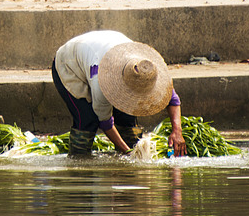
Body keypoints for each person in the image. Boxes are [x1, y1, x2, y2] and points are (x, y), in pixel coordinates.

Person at [52, 30, 187, 157]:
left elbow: (172, 99)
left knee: (127, 121)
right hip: (69, 64)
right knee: (87, 121)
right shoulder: (101, 79)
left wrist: (177, 131)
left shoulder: (148, 69)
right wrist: (128, 153)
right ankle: (79, 163)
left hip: (104, 49)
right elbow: (104, 122)